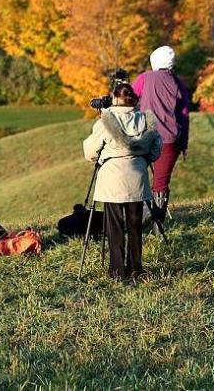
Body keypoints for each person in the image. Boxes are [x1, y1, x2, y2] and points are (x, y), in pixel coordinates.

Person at [83, 84, 162, 280]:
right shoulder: (145, 119)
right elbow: (156, 147)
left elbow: (91, 151)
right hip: (137, 179)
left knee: (115, 227)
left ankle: (117, 271)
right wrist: (143, 159)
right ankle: (136, 269)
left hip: (112, 180)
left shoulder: (105, 122)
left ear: (114, 98)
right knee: (135, 227)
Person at [132, 45, 191, 219]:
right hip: (170, 140)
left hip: (145, 137)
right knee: (161, 182)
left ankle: (140, 216)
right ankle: (158, 223)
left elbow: (128, 99)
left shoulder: (145, 78)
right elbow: (184, 115)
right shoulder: (178, 83)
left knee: (136, 175)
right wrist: (184, 144)